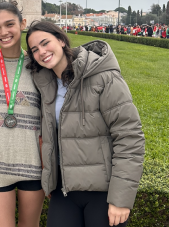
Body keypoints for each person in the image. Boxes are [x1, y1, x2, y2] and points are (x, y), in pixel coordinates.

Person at [25, 21, 145, 227]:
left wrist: (121, 199)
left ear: (61, 40)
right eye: (35, 49)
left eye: (45, 43)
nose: (42, 52)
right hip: (64, 192)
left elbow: (129, 136)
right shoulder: (45, 83)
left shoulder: (104, 77)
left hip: (103, 194)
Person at [0, 1, 45, 227]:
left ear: (22, 23)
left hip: (33, 166)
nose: (3, 32)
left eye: (9, 24)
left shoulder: (39, 65)